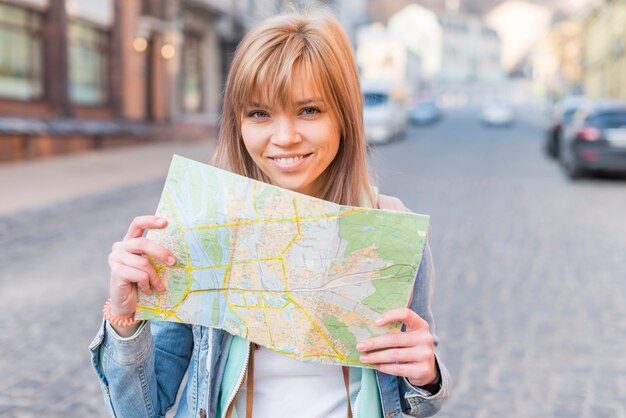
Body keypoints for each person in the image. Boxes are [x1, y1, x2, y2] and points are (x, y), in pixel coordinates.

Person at [90, 6, 449, 418]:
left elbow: (415, 399)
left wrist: (427, 377)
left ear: (344, 118)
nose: (284, 137)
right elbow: (137, 411)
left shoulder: (389, 232)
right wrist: (124, 318)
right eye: (259, 113)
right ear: (237, 124)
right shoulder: (202, 228)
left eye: (309, 110)